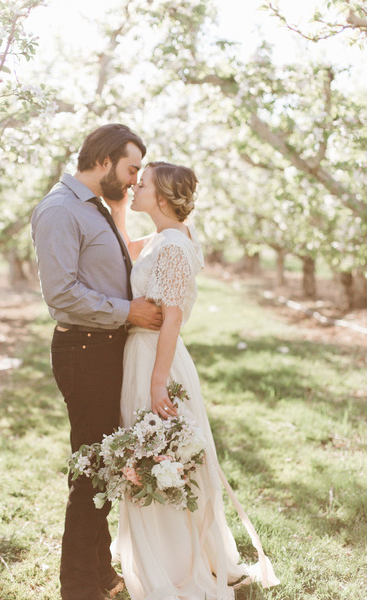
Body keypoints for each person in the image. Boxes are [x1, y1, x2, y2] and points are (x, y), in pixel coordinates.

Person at [106, 162, 280, 600]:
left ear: (161, 198)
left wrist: (158, 382)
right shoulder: (166, 237)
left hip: (155, 359)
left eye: (141, 185)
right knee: (151, 457)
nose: (135, 187)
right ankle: (161, 555)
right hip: (142, 354)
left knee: (161, 457)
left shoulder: (174, 247)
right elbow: (126, 244)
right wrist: (119, 204)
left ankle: (175, 565)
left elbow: (172, 319)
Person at [31, 124, 163, 600]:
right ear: (104, 161)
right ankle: (79, 586)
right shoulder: (60, 210)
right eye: (131, 170)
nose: (133, 180)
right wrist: (128, 311)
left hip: (103, 348)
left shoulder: (95, 209)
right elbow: (61, 294)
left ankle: (100, 572)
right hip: (84, 350)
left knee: (104, 467)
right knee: (90, 470)